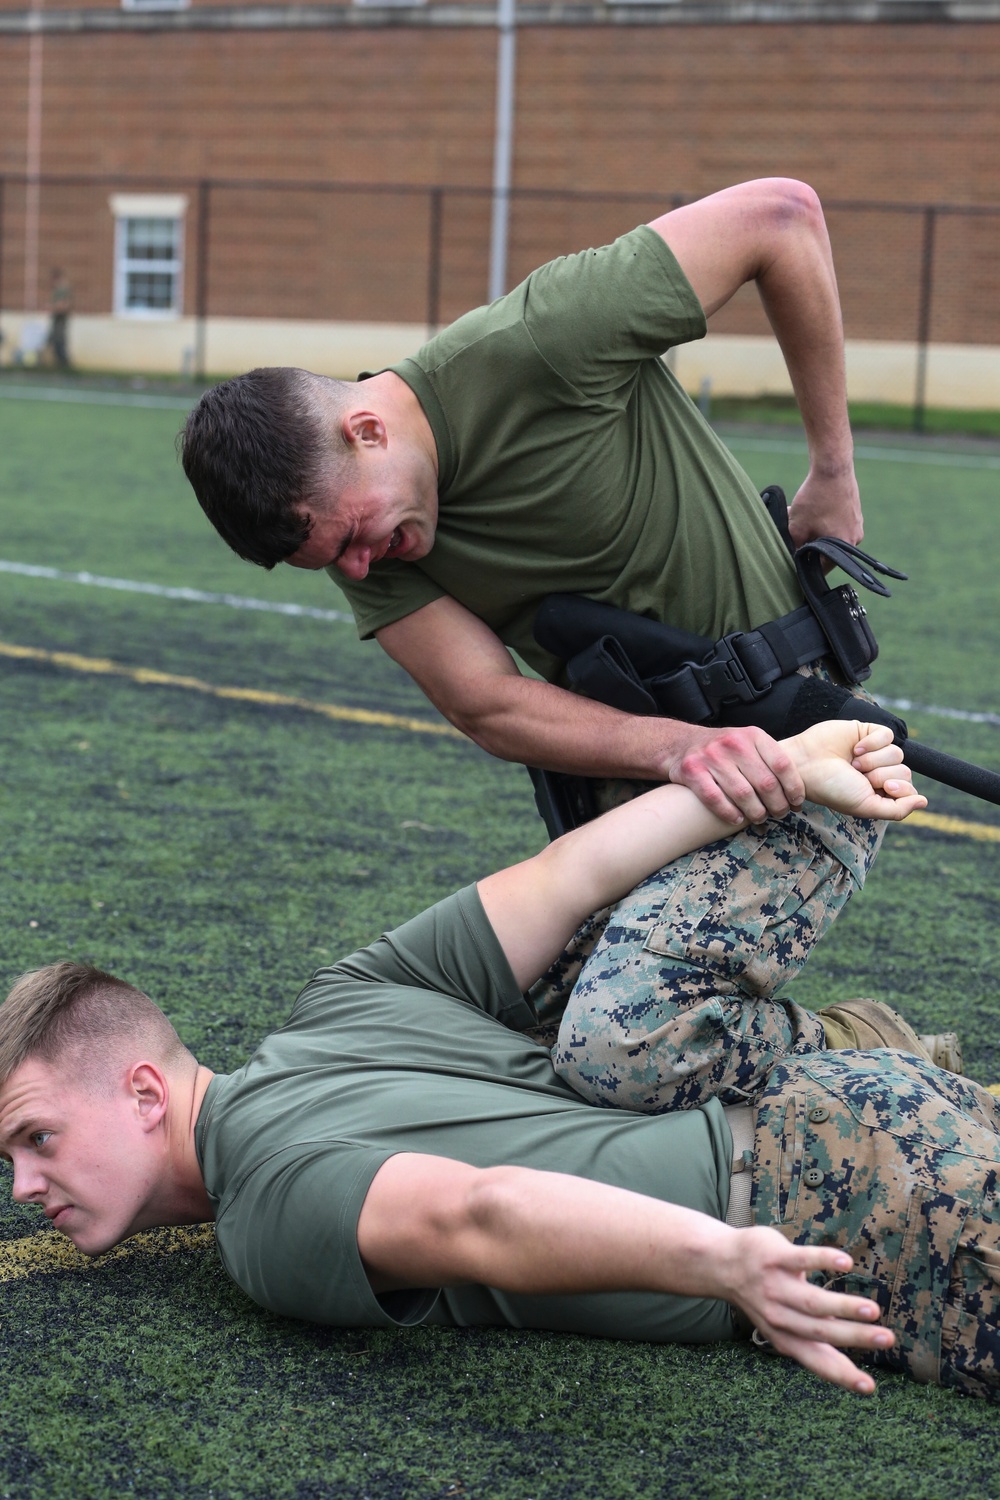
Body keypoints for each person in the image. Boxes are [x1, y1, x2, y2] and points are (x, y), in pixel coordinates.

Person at [180, 177, 942, 1065]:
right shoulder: (372, 541)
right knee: (479, 1039)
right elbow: (488, 705)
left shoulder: (538, 341)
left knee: (620, 1044)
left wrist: (833, 469)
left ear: (367, 430)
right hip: (649, 786)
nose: (360, 569)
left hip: (804, 748)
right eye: (335, 563)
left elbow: (783, 217)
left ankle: (866, 1048)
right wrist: (673, 749)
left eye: (352, 538)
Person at [3, 721, 997, 1401]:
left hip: (826, 1209)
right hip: (825, 1105)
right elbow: (571, 876)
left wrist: (727, 1262)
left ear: (141, 1091)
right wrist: (783, 769)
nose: (23, 1185)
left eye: (36, 1138)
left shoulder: (261, 1211)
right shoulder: (337, 1001)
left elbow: (471, 1213)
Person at [46, 269, 73, 373]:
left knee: (60, 342)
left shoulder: (63, 289)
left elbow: (64, 305)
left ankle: (64, 365)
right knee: (54, 341)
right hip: (56, 320)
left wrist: (52, 307)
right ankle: (58, 365)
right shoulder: (58, 289)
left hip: (60, 320)